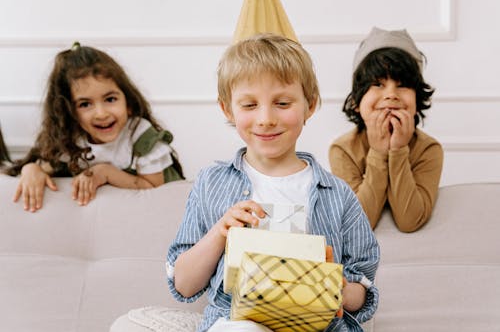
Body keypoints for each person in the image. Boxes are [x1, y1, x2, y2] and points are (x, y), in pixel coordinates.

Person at [167, 33, 379, 332]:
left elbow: (363, 290)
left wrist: (336, 287)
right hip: (238, 323)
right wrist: (220, 233)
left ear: (311, 105)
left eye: (282, 103)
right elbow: (185, 285)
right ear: (228, 109)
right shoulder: (211, 184)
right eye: (249, 105)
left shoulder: (337, 195)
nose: (265, 118)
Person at [7, 42, 184, 212]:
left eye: (110, 99)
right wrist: (31, 170)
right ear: (69, 113)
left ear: (128, 103)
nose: (101, 113)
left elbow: (156, 190)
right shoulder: (71, 140)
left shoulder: (140, 136)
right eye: (85, 104)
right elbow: (45, 165)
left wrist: (105, 172)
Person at [329, 27, 444, 232]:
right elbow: (358, 223)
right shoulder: (342, 150)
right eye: (377, 84)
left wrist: (398, 150)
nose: (391, 94)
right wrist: (378, 152)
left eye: (402, 85)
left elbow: (410, 221)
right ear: (356, 101)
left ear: (417, 101)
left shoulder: (429, 149)